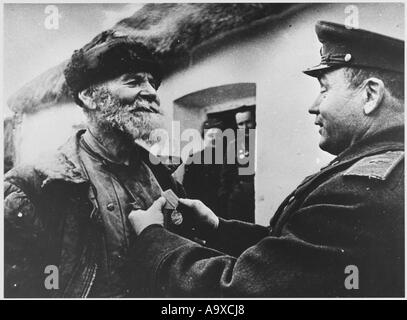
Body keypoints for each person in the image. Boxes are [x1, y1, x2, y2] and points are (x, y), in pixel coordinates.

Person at [127, 21, 404, 297]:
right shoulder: (378, 170)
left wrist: (152, 237)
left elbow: (241, 290)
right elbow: (293, 254)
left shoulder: (360, 192)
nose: (313, 106)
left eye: (324, 89)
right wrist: (218, 228)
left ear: (370, 95)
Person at [4, 30, 187, 298]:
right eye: (134, 81)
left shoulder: (164, 177)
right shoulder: (32, 186)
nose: (151, 93)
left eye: (152, 84)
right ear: (90, 96)